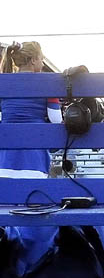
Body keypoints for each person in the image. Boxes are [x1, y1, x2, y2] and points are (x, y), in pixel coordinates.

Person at [0, 42, 62, 178]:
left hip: (4, 158)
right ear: (33, 60)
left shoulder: (3, 82)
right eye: (41, 59)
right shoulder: (47, 83)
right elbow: (56, 119)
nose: (43, 64)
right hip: (34, 159)